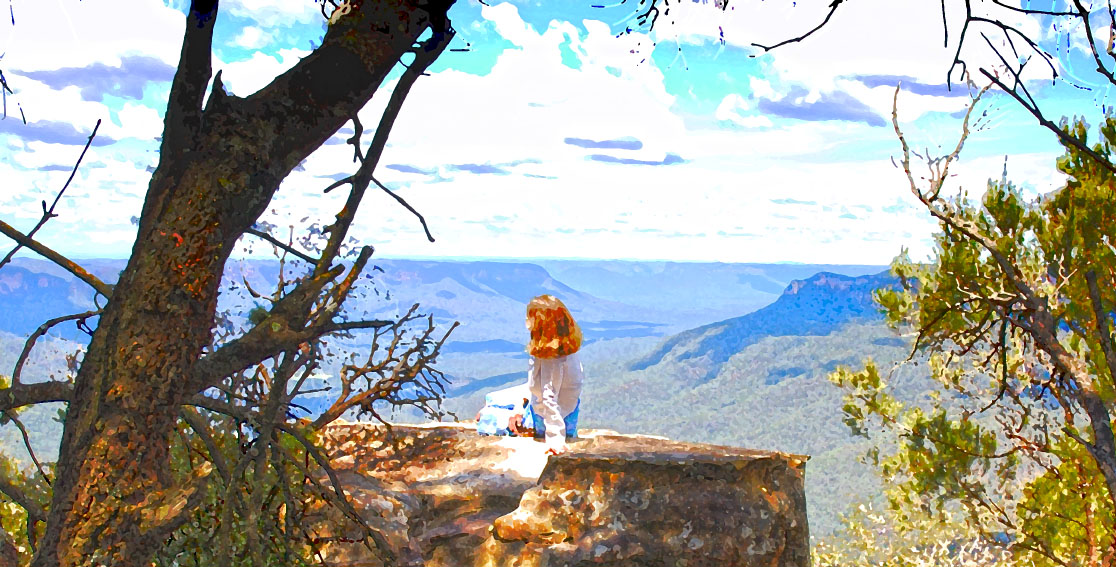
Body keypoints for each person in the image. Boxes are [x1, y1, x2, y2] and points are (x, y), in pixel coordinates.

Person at [523, 294, 584, 455]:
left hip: (549, 418)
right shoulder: (568, 350)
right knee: (504, 398)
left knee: (492, 416)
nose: (527, 324)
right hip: (569, 411)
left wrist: (555, 438)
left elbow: (548, 398)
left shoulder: (552, 360)